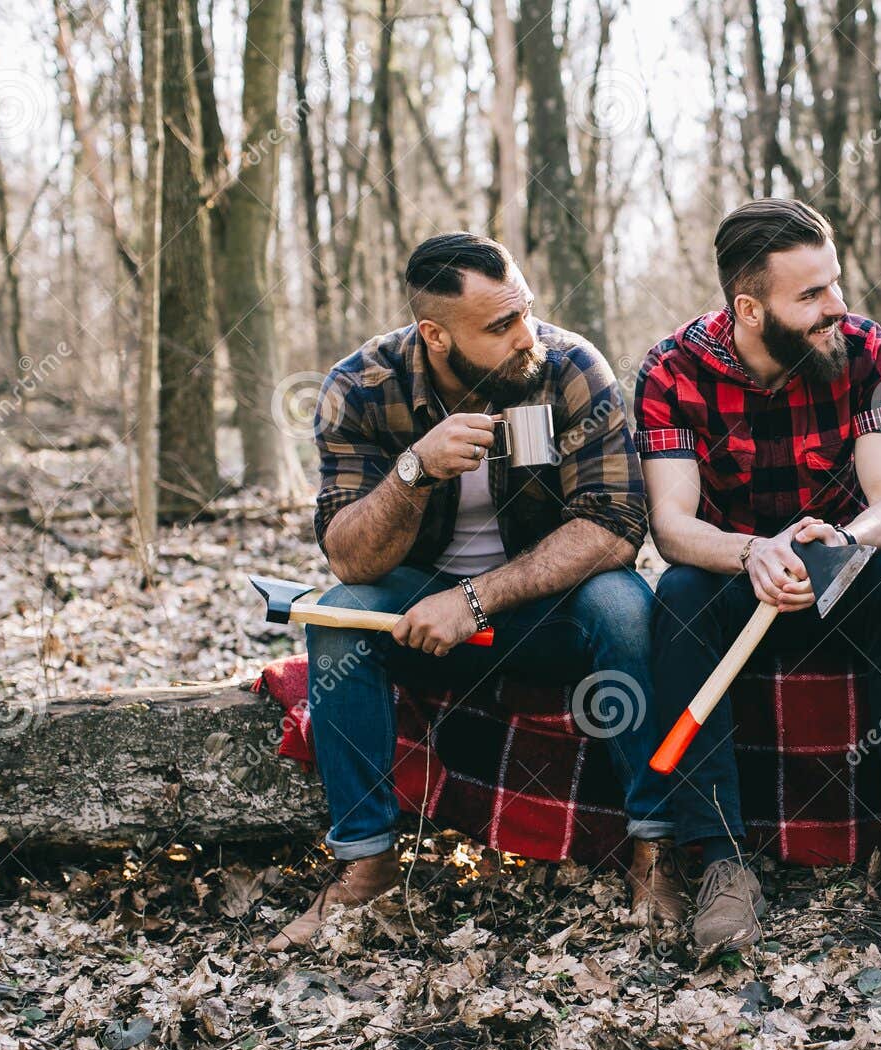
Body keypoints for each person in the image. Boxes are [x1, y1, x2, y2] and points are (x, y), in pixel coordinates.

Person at [268, 232, 681, 951]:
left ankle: (654, 851)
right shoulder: (362, 387)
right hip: (416, 611)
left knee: (624, 603)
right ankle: (365, 867)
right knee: (337, 618)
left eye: (525, 311)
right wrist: (412, 472)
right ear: (434, 334)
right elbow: (348, 556)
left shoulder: (570, 369)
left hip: (542, 613)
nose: (527, 336)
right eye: (499, 326)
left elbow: (615, 527)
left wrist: (476, 599)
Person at [635, 198, 881, 954]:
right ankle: (722, 858)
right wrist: (753, 552)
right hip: (729, 580)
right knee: (676, 595)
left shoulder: (865, 348)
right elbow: (673, 526)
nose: (836, 307)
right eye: (811, 294)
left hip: (839, 580)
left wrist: (844, 541)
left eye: (835, 283)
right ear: (749, 307)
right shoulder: (671, 369)